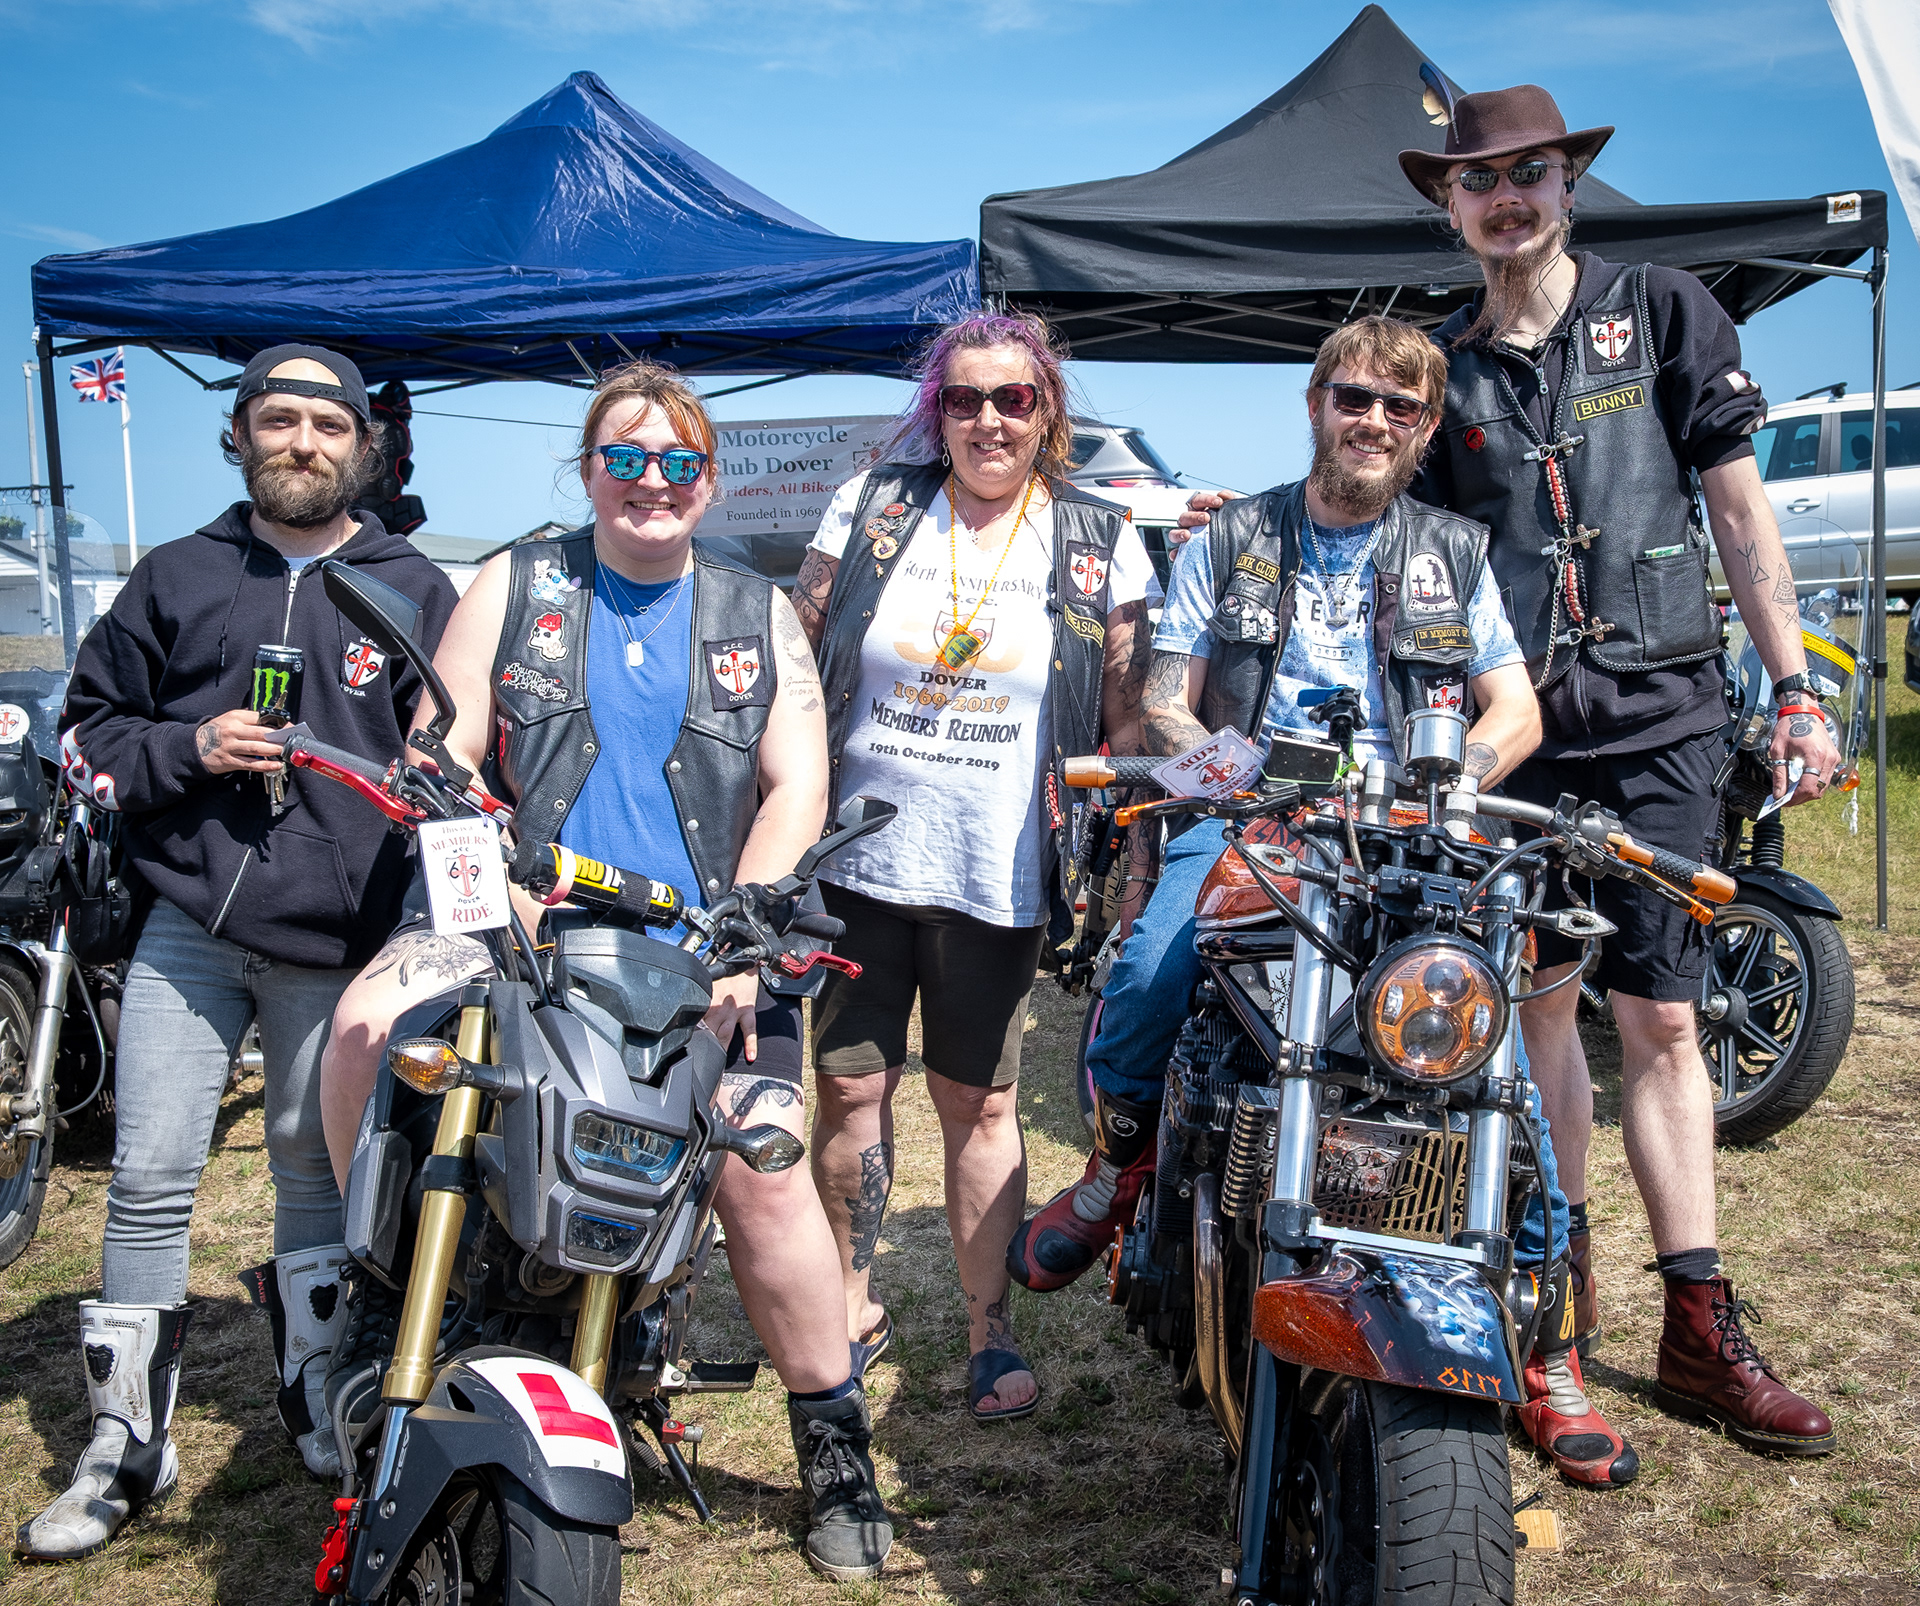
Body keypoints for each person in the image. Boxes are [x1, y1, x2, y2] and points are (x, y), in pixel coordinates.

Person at [1185, 86, 1841, 1463]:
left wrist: (1792, 686)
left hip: (1661, 717)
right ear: (1449, 204)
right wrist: (1230, 523)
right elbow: (1362, 507)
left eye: (1528, 175)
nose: (1506, 201)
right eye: (1478, 183)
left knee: (1663, 1023)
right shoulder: (1441, 367)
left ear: (1567, 183)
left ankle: (1699, 1321)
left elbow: (1736, 507)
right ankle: (1553, 1333)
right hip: (1511, 747)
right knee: (1527, 1025)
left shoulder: (1664, 308)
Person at [1011, 314, 1644, 1488]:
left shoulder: (1453, 552)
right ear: (1316, 403)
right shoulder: (1235, 535)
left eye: (1401, 409)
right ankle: (1117, 1170)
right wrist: (1237, 772)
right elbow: (1165, 699)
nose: (1373, 422)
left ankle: (1549, 1347)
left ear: (1422, 430)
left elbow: (1517, 710)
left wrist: (1449, 778)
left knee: (1490, 1061)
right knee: (1149, 974)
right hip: (1253, 820)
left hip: (1410, 836)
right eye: (1354, 397)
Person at [313, 359, 893, 1581]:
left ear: (709, 482)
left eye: (679, 461)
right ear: (588, 471)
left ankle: (834, 1442)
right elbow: (446, 742)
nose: (652, 482)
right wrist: (491, 868)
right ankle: (379, 1301)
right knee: (365, 1027)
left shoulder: (759, 609)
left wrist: (743, 929)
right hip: (517, 930)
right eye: (625, 458)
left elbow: (797, 785)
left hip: (703, 948)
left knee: (764, 1169)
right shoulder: (512, 582)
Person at [18, 345, 459, 1561]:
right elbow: (87, 732)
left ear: (365, 445)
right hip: (187, 931)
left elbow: (461, 755)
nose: (304, 441)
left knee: (312, 1174)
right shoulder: (174, 575)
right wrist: (189, 748)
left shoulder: (417, 586)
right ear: (241, 434)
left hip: (340, 946)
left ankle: (319, 1404)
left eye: (329, 423)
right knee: (151, 1173)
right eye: (281, 418)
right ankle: (124, 1445)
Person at [790, 311, 1156, 1423]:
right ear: (935, 412)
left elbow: (1128, 720)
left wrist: (1132, 858)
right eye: (964, 398)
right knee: (852, 1086)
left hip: (998, 868)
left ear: (1047, 412)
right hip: (856, 864)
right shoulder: (874, 506)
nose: (987, 418)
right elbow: (802, 659)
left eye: (1013, 398)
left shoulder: (1098, 537)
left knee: (980, 1103)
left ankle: (986, 1326)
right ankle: (849, 1303)